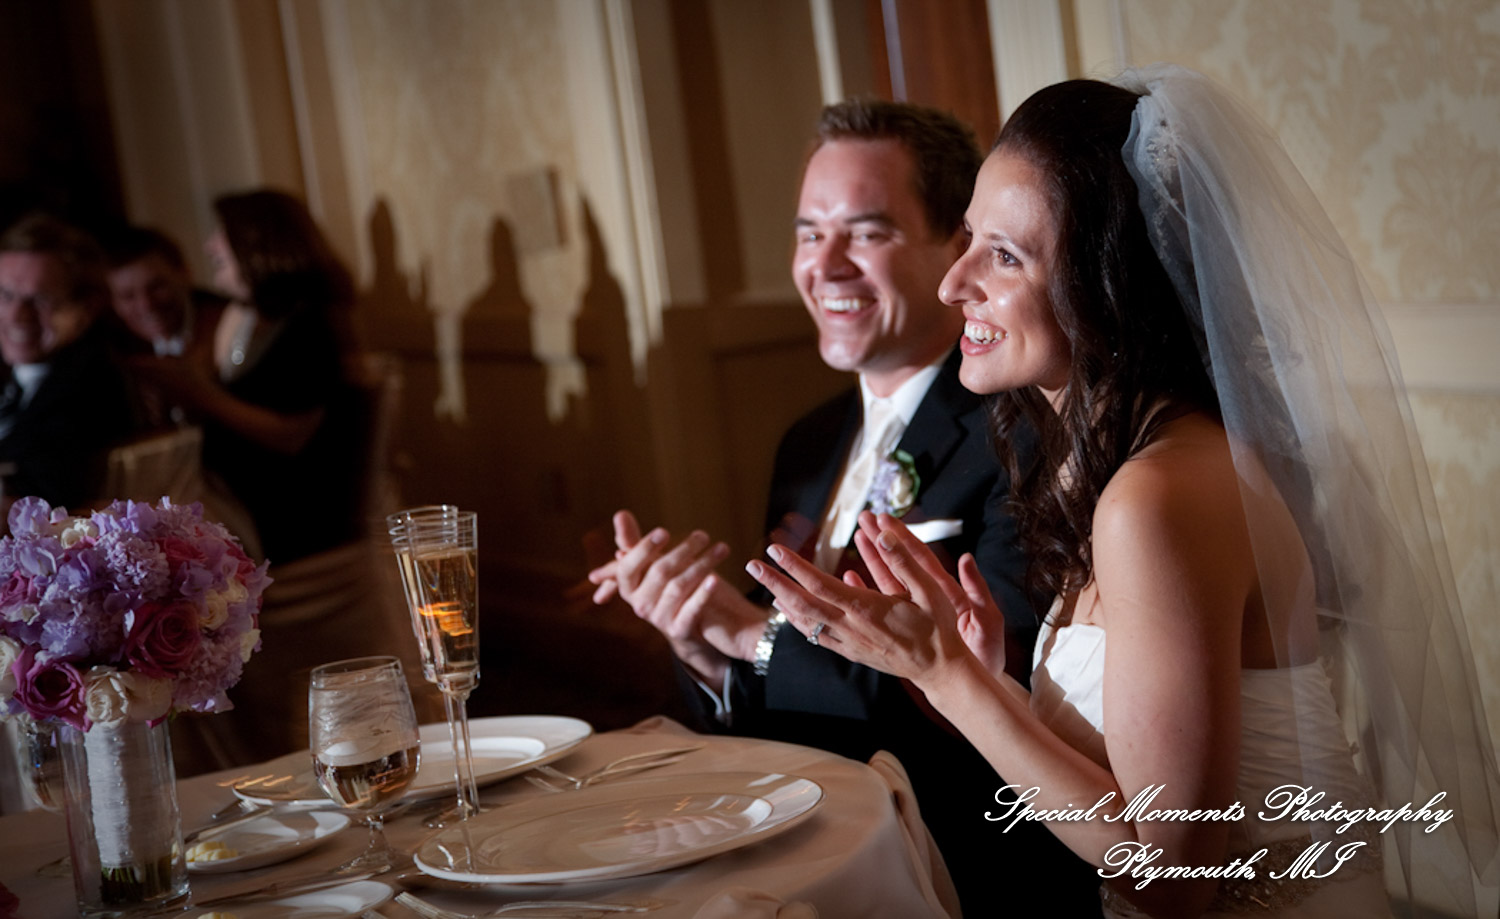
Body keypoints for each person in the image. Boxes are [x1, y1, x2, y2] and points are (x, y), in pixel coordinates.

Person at [749, 66, 1500, 918]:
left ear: (1107, 287)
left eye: (1003, 255)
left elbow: (1177, 876)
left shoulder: (1158, 495)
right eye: (966, 239)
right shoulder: (1121, 464)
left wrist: (946, 673)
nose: (955, 283)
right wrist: (990, 684)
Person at [590, 100, 1099, 914]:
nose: (823, 265)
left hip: (968, 861)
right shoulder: (808, 441)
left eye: (865, 233)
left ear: (952, 246)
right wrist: (704, 647)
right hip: (800, 826)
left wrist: (746, 632)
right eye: (806, 233)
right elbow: (780, 702)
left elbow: (980, 688)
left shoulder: (1021, 436)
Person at [129, 188, 369, 564]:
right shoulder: (256, 319)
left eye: (221, 232)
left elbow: (292, 435)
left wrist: (199, 393)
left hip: (290, 515)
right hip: (244, 503)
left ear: (257, 242)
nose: (210, 246)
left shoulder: (309, 325)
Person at [0, 214, 142, 520]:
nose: (16, 315)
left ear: (87, 307)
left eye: (39, 299)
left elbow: (49, 503)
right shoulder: (20, 377)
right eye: (5, 295)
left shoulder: (92, 387)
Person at [104, 223, 225, 359]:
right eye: (128, 296)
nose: (146, 305)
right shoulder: (113, 352)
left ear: (185, 274)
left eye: (156, 287)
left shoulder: (228, 328)